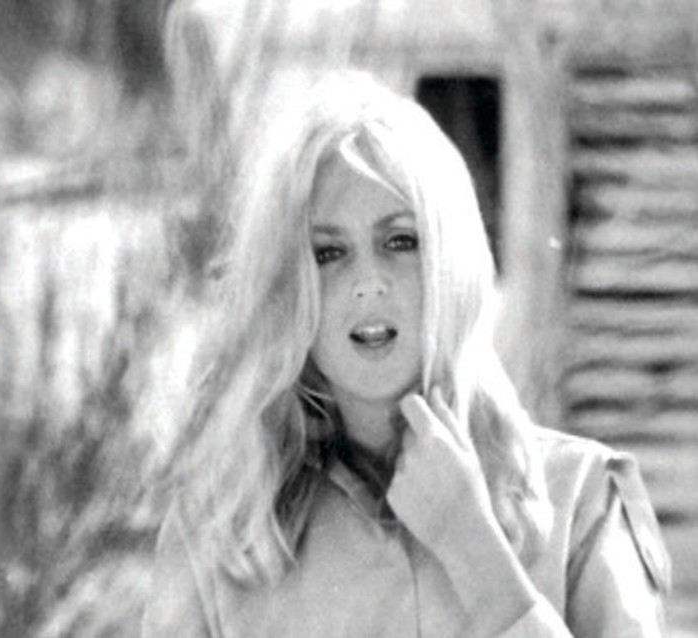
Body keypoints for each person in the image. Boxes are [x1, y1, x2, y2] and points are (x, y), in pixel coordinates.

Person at [141, 69, 671, 637]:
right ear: (285, 288)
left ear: (452, 261)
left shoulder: (585, 500)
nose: (368, 282)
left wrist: (474, 549)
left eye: (400, 241)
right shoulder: (219, 536)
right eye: (328, 253)